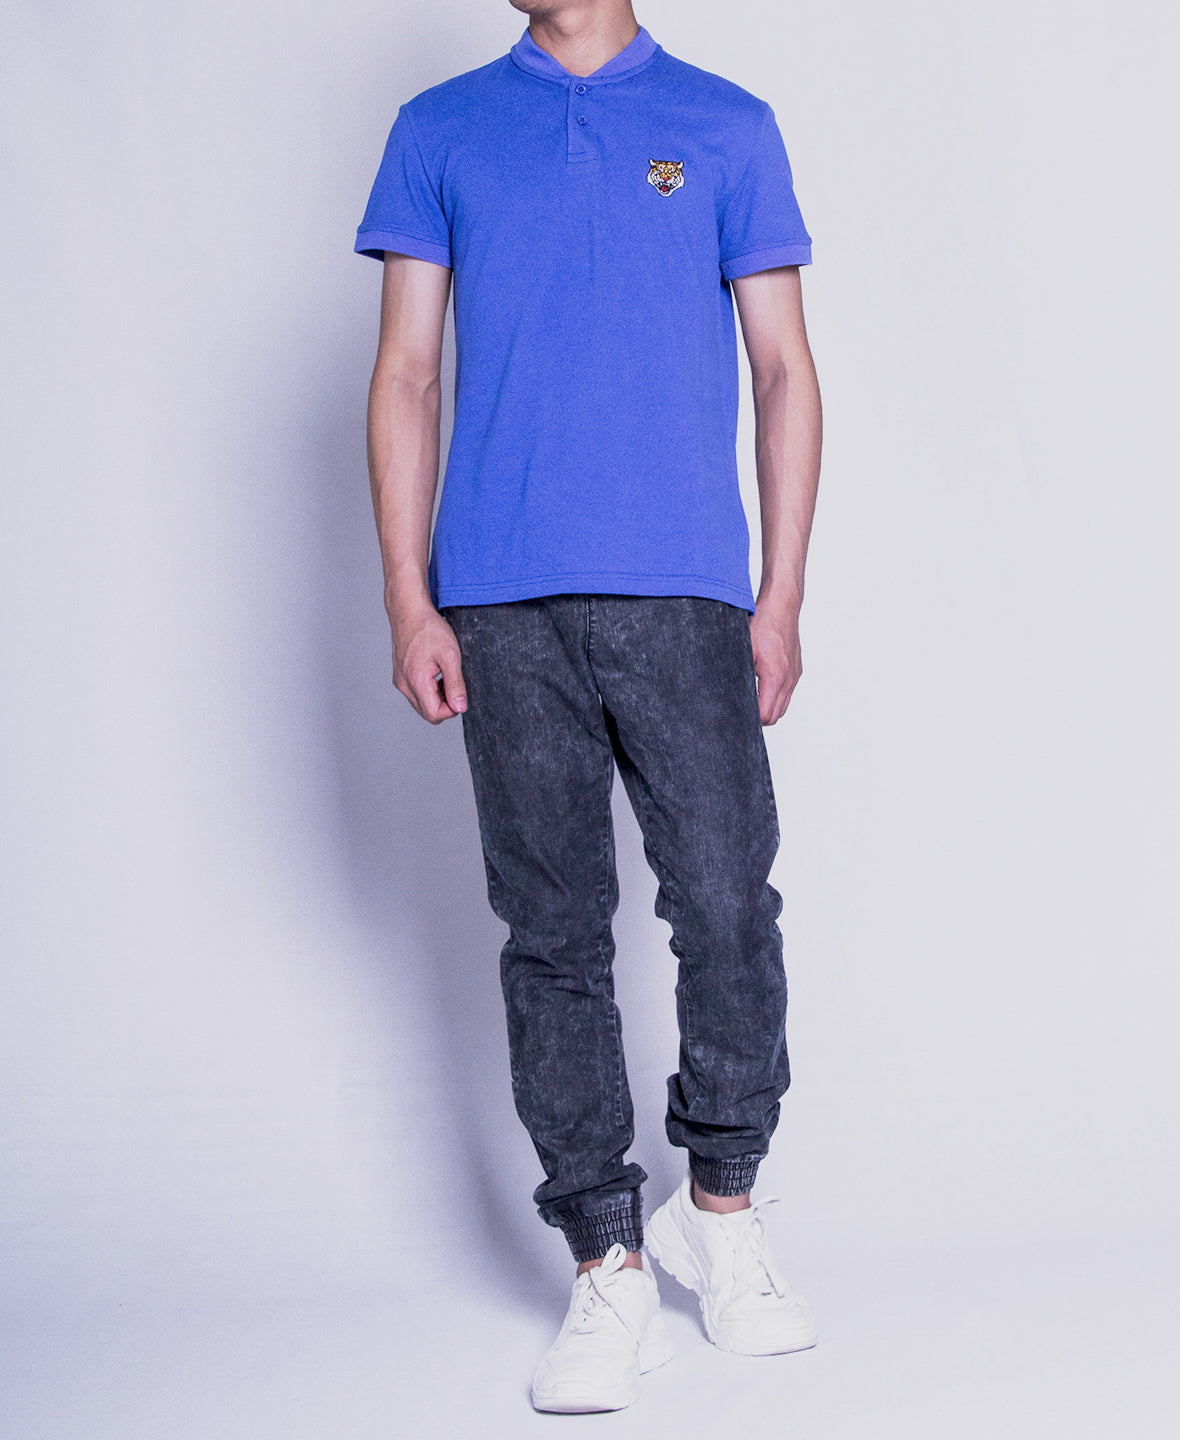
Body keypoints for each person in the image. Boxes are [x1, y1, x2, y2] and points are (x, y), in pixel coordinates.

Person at [354, 0, 822, 1413]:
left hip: (686, 591)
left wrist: (780, 595)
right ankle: (606, 1259)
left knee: (727, 903)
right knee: (550, 933)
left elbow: (785, 368)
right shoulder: (440, 129)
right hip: (501, 599)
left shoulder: (726, 125)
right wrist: (408, 597)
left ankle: (720, 1207)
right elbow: (406, 373)